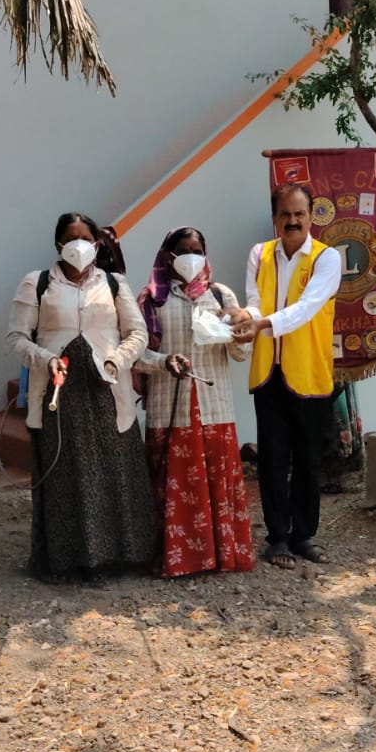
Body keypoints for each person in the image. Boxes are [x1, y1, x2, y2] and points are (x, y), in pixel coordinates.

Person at [6, 213, 154, 581]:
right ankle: (70, 561)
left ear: (97, 243)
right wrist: (46, 359)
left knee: (115, 472)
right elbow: (16, 338)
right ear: (58, 244)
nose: (78, 244)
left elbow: (137, 334)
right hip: (59, 393)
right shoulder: (37, 283)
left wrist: (115, 361)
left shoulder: (114, 284)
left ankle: (122, 557)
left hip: (107, 390)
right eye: (71, 237)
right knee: (68, 477)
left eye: (85, 237)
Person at [136, 227, 256, 578]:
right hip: (168, 407)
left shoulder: (220, 295)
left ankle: (219, 556)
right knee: (172, 484)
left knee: (217, 480)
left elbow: (241, 353)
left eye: (197, 250)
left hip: (214, 406)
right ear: (168, 256)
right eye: (184, 250)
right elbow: (136, 355)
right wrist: (164, 361)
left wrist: (236, 332)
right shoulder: (152, 300)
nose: (191, 257)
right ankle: (177, 559)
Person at [233, 183, 342, 568]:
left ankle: (304, 535)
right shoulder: (259, 254)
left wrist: (261, 323)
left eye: (299, 214)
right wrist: (242, 316)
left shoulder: (327, 258)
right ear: (274, 218)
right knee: (272, 459)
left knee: (308, 459)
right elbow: (254, 302)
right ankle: (278, 537)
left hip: (309, 371)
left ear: (311, 217)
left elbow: (307, 308)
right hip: (268, 373)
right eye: (285, 214)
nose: (292, 221)